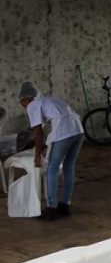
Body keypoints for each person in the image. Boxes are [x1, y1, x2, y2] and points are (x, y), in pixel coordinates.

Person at [18, 81, 85, 221]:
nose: (23, 107)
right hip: (78, 130)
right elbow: (42, 130)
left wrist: (37, 156)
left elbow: (39, 132)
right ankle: (65, 205)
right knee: (68, 166)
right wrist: (42, 145)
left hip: (63, 132)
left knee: (51, 168)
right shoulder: (49, 100)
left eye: (22, 103)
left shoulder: (33, 105)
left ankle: (51, 208)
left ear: (26, 99)